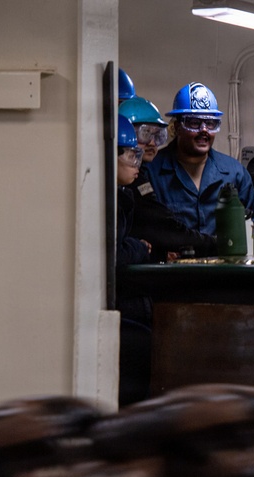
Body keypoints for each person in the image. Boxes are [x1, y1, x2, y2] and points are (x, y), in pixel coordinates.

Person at [145, 82, 254, 235]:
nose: (204, 130)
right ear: (177, 127)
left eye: (210, 123)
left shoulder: (234, 173)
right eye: (194, 123)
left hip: (225, 259)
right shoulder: (152, 172)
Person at [119, 95, 217, 260]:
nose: (152, 143)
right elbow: (160, 226)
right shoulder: (130, 181)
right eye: (145, 134)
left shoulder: (138, 176)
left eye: (158, 136)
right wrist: (214, 244)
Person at [114, 114, 153, 406]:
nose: (136, 164)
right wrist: (138, 248)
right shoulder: (110, 201)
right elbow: (112, 254)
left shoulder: (121, 196)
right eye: (130, 155)